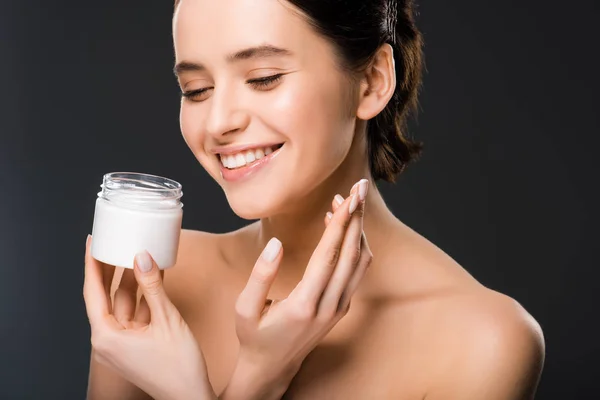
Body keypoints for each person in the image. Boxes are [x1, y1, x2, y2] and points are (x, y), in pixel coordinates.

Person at [83, 0, 546, 399]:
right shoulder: (159, 281)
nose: (218, 121)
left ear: (372, 81)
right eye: (196, 90)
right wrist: (255, 380)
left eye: (263, 78)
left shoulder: (484, 339)